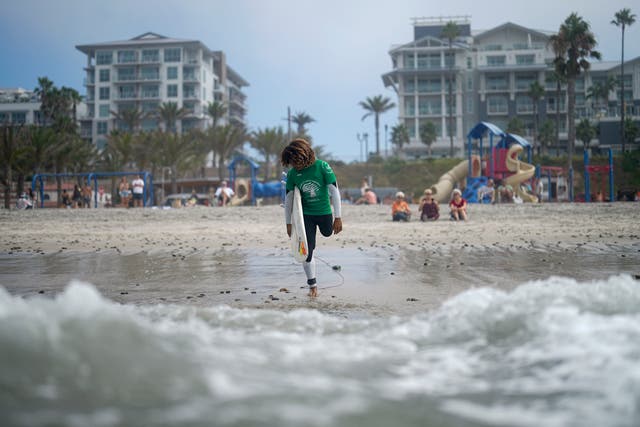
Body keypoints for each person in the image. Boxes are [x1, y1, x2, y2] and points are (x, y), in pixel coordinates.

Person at [282, 138, 342, 298]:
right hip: (305, 216)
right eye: (292, 163)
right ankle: (313, 285)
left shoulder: (322, 167)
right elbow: (288, 200)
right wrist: (288, 223)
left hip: (323, 212)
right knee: (307, 252)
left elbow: (334, 191)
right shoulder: (293, 174)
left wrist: (338, 217)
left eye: (297, 162)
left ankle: (317, 240)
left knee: (328, 233)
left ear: (305, 156)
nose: (295, 166)